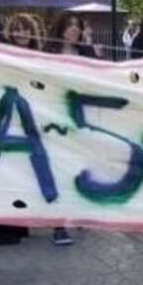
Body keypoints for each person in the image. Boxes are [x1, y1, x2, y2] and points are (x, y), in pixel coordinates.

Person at [0, 14, 42, 247]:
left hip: (34, 126)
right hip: (8, 125)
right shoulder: (3, 56)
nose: (21, 33)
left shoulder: (41, 57)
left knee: (23, 176)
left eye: (25, 29)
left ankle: (16, 226)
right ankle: (10, 227)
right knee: (6, 175)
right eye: (16, 30)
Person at [43, 14, 98, 246]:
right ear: (60, 29)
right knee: (58, 170)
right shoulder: (47, 54)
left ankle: (79, 212)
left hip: (81, 119)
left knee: (79, 167)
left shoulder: (84, 53)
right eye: (70, 26)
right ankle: (59, 225)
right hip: (55, 118)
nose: (74, 30)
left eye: (78, 26)